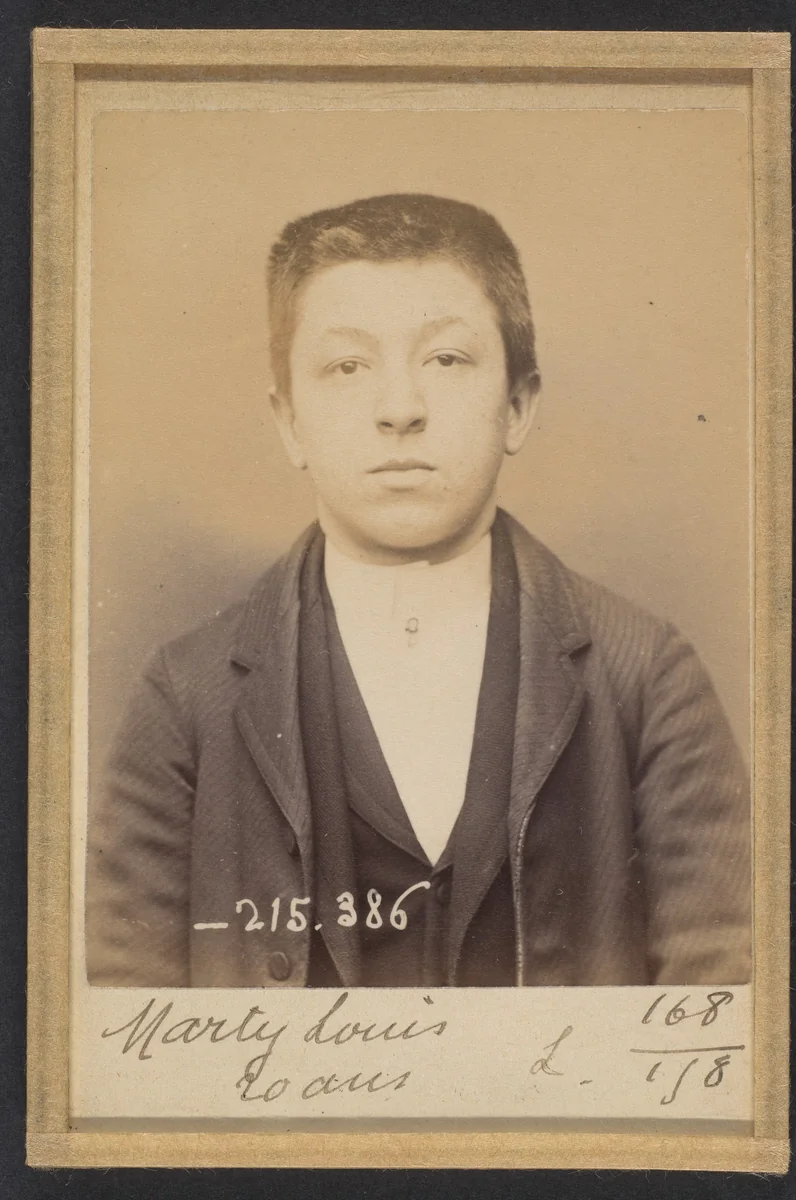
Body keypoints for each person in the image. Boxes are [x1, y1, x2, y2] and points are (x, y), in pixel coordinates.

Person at [86, 193, 751, 989]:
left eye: (445, 360)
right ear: (290, 421)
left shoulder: (647, 676)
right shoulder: (185, 699)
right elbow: (121, 1029)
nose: (400, 410)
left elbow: (725, 1014)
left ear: (517, 405)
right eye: (347, 367)